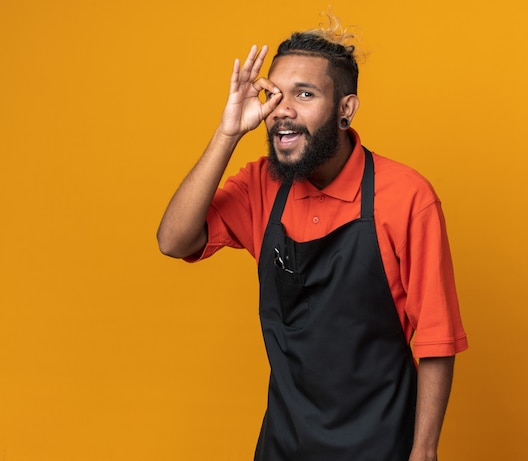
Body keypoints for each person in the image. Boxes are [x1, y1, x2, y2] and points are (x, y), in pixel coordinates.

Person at [157, 18, 468, 461]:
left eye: (304, 94)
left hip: (381, 445)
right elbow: (174, 240)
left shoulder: (407, 197)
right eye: (274, 94)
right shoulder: (261, 186)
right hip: (284, 445)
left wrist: (424, 450)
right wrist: (228, 133)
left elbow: (437, 339)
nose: (282, 109)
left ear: (346, 109)